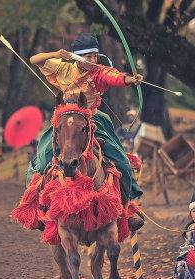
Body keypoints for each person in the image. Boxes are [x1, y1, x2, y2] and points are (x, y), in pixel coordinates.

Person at [27, 33, 144, 228]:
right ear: (76, 56)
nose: (92, 60)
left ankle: (127, 209)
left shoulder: (99, 71)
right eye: (87, 56)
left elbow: (115, 77)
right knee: (41, 160)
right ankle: (36, 209)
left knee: (121, 160)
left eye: (94, 56)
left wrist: (129, 79)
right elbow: (34, 59)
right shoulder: (63, 67)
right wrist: (56, 53)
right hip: (64, 120)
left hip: (93, 118)